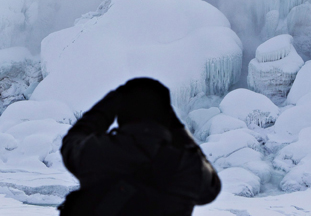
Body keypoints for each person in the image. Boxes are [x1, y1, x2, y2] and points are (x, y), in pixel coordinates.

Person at [58, 78, 221, 216]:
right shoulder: (187, 164)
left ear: (122, 112)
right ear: (166, 117)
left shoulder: (99, 151)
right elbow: (212, 187)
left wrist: (108, 105)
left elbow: (72, 141)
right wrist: (176, 126)